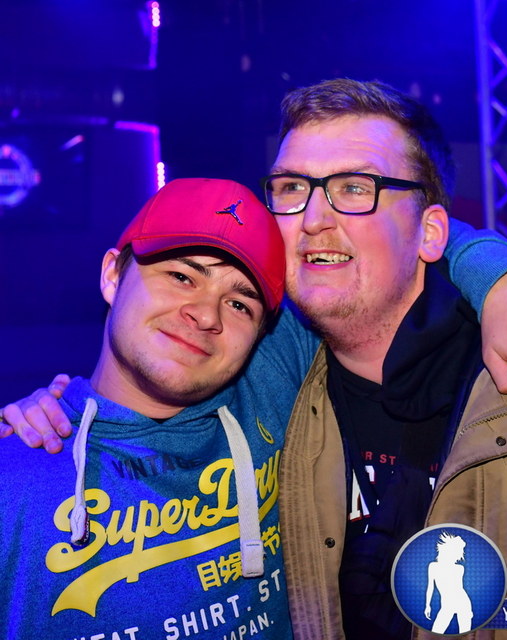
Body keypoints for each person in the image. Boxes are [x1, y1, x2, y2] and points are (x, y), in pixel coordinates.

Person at [0, 80, 507, 640]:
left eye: (355, 187)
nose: (205, 315)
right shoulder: (26, 465)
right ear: (112, 275)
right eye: (293, 189)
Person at [263, 79, 507, 640]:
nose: (313, 217)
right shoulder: (271, 384)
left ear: (431, 233)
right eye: (293, 187)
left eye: (355, 187)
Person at [0, 178, 322, 639]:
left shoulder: (271, 377)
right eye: (182, 277)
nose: (206, 315)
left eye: (239, 304)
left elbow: (379, 270)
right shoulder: (17, 472)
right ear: (113, 276)